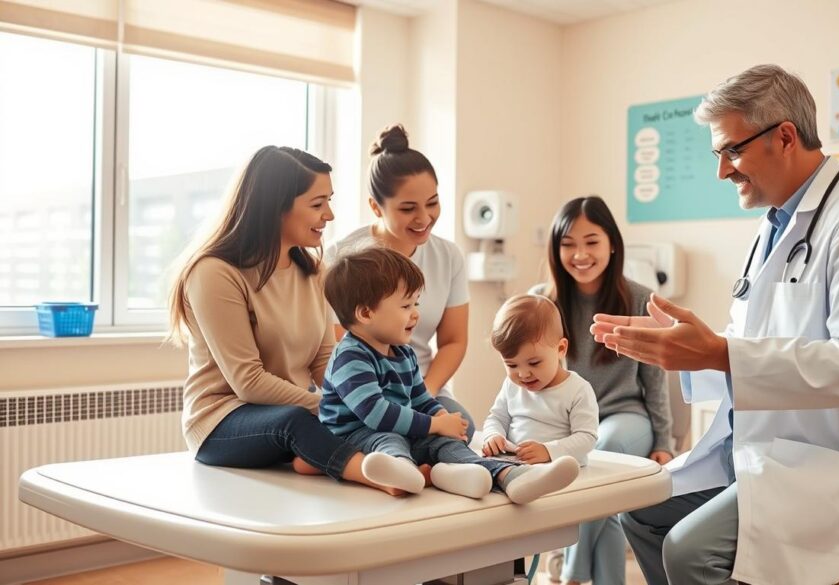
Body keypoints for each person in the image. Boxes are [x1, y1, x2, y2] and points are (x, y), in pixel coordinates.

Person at [591, 64, 839, 585]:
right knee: (639, 509)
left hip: (832, 469)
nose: (722, 171)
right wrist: (696, 346)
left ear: (785, 137)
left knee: (688, 550)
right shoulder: (771, 226)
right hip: (758, 453)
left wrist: (719, 353)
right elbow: (755, 347)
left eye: (731, 151)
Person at [168, 146, 412, 496]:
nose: (329, 214)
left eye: (329, 200)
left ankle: (413, 462)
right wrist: (331, 408)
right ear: (274, 207)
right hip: (222, 422)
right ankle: (379, 476)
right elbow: (247, 382)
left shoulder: (313, 271)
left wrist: (362, 399)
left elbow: (323, 359)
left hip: (297, 409)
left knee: (381, 415)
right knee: (296, 423)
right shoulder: (214, 274)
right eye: (317, 204)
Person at [319, 246, 581, 504]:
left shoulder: (403, 353)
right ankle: (401, 470)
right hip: (355, 437)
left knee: (444, 441)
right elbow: (376, 414)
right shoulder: (350, 357)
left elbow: (420, 398)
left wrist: (441, 417)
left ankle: (509, 476)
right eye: (405, 305)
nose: (415, 313)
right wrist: (434, 424)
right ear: (366, 313)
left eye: (416, 303)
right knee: (390, 439)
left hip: (399, 432)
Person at [531, 195, 673, 585]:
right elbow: (525, 378)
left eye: (591, 241)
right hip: (566, 423)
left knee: (598, 452)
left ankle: (572, 575)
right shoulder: (542, 301)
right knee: (607, 506)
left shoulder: (642, 299)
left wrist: (664, 439)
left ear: (612, 243)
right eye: (568, 243)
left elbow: (655, 380)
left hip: (626, 418)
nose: (580, 254)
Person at [325, 125, 475, 438]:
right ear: (376, 207)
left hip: (422, 388)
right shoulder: (344, 258)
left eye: (432, 202)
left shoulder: (448, 257)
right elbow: (341, 341)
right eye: (408, 208)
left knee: (464, 428)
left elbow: (453, 341)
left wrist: (426, 394)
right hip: (363, 390)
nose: (424, 218)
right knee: (389, 435)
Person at [481, 294, 599, 467]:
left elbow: (587, 437)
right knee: (477, 465)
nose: (523, 374)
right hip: (514, 463)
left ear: (560, 349)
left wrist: (548, 451)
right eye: (511, 365)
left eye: (534, 363)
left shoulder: (577, 389)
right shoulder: (511, 385)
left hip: (558, 467)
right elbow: (496, 418)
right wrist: (493, 435)